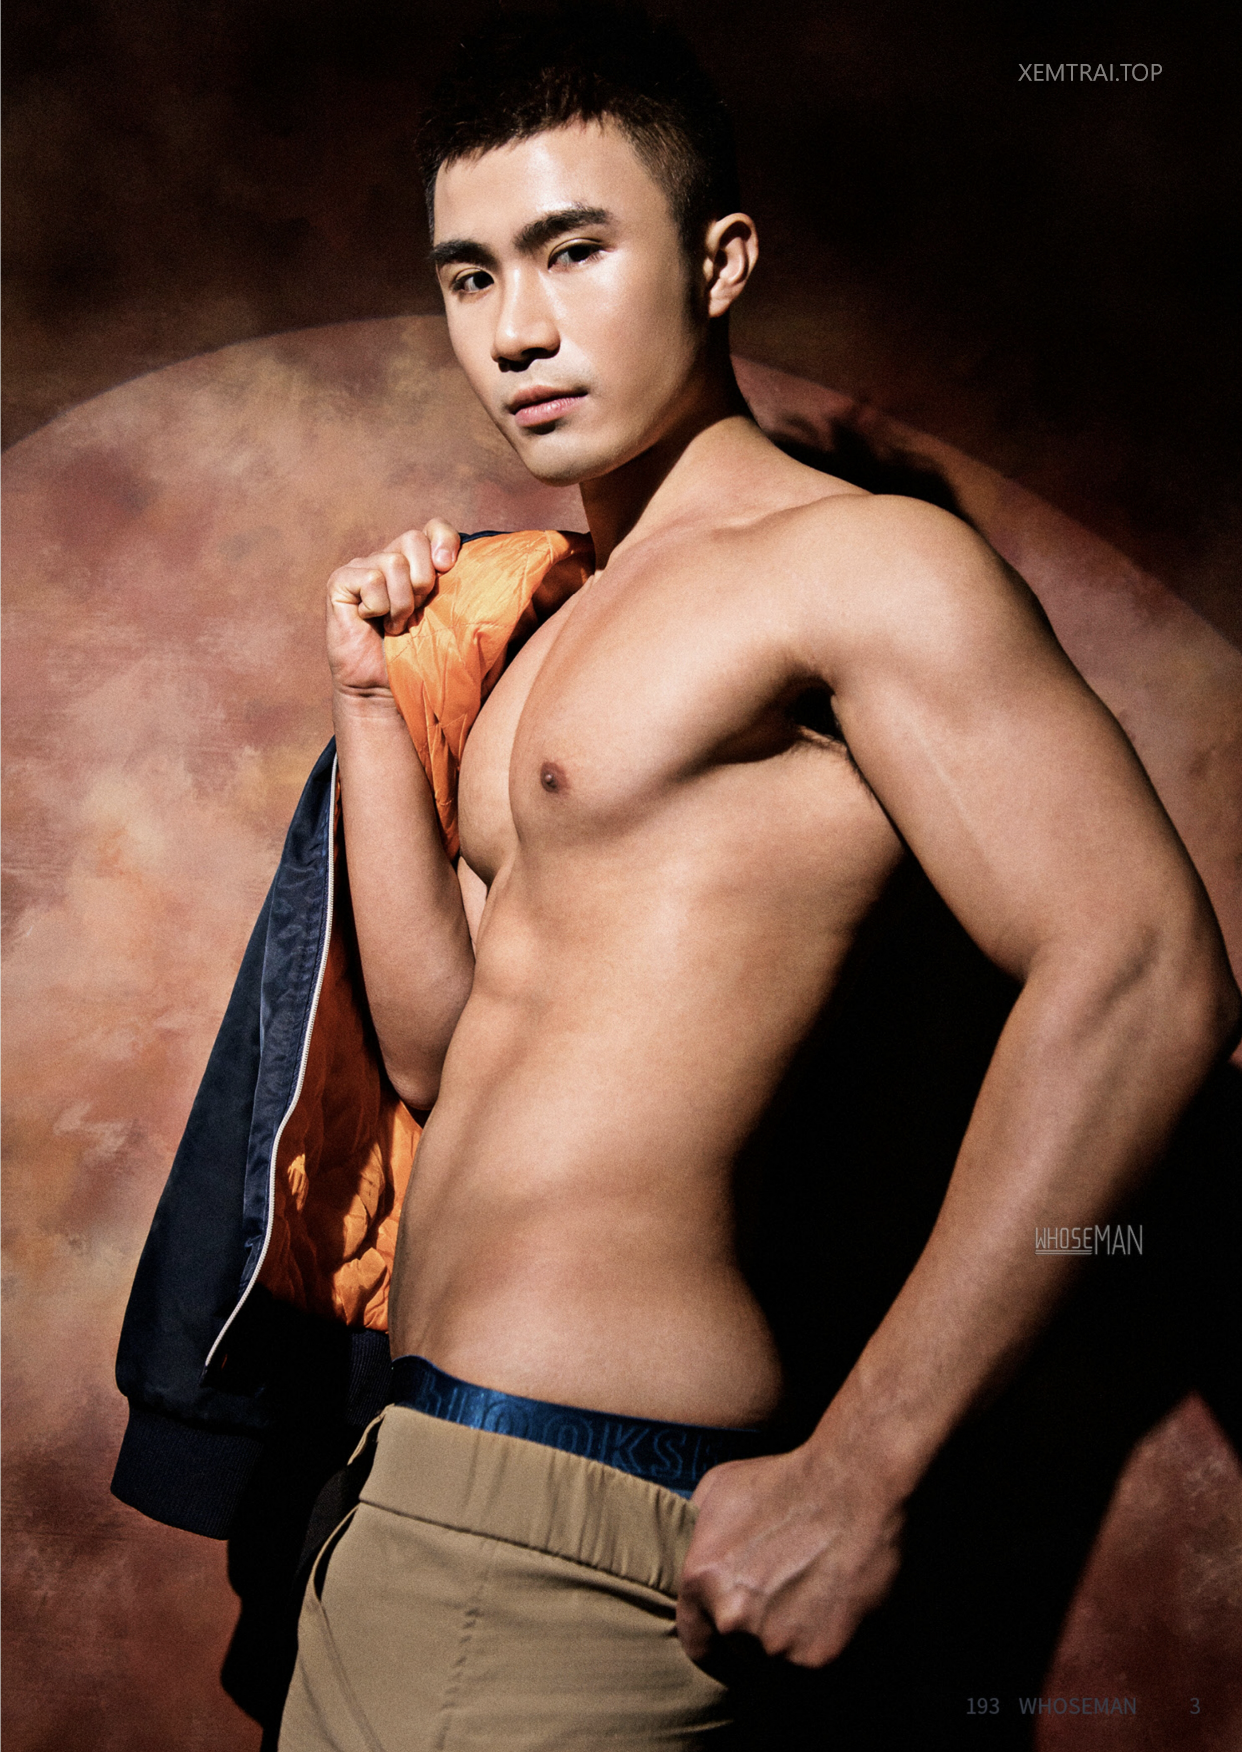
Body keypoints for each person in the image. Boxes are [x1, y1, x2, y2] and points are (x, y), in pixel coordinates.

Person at [274, 7, 1239, 1747]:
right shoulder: (542, 633)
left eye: (574, 251)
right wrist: (365, 700)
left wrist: (861, 1470)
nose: (517, 328)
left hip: (575, 1517)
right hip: (405, 1481)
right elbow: (438, 1057)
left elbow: (1145, 969)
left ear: (719, 260)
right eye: (470, 276)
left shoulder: (856, 567)